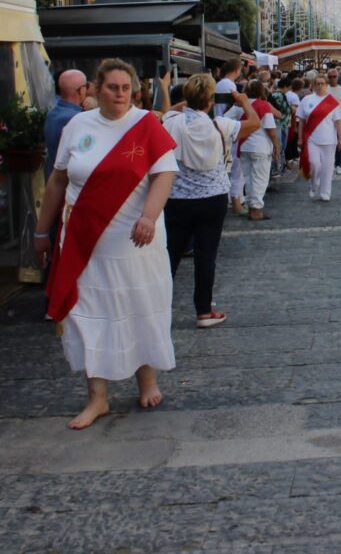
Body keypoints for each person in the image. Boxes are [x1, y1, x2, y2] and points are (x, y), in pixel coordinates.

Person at [34, 59, 179, 430]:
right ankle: (97, 397)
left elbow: (164, 174)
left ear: (134, 91)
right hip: (85, 240)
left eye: (125, 88)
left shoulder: (146, 124)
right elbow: (57, 181)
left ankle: (146, 379)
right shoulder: (77, 126)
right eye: (112, 87)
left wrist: (148, 215)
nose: (119, 94)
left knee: (138, 305)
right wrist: (40, 230)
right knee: (87, 316)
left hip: (134, 241)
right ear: (96, 89)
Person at [162, 75, 260, 328]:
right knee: (206, 256)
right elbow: (254, 122)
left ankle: (157, 309)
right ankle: (204, 311)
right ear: (210, 100)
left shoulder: (172, 121)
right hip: (212, 198)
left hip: (177, 197)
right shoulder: (220, 125)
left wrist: (186, 101)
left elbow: (165, 113)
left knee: (170, 254)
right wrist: (243, 101)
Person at [229, 80, 280, 220]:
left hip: (244, 146)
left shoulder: (238, 106)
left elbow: (226, 120)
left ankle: (252, 205)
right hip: (261, 146)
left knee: (249, 178)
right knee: (260, 179)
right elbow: (270, 129)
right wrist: (276, 145)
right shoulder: (263, 105)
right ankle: (256, 209)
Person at [297, 74, 341, 202]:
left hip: (329, 140)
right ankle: (313, 184)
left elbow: (338, 122)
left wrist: (340, 139)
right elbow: (301, 121)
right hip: (311, 138)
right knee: (314, 164)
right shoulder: (306, 100)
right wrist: (300, 138)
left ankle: (325, 193)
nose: (320, 85)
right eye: (317, 83)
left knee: (328, 168)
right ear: (313, 85)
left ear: (327, 85)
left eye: (322, 83)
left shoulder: (333, 102)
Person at [44, 70, 88, 181]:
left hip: (53, 179)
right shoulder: (77, 118)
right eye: (86, 86)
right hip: (67, 185)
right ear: (81, 90)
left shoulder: (52, 113)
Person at [326, 68, 341, 172]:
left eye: (334, 76)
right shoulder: (325, 89)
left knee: (339, 143)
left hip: (340, 120)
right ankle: (329, 164)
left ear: (337, 77)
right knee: (328, 143)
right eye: (330, 77)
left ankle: (338, 164)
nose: (332, 79)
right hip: (327, 121)